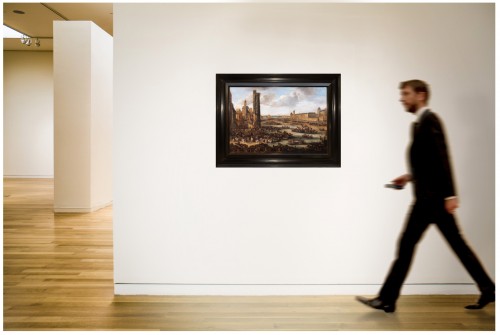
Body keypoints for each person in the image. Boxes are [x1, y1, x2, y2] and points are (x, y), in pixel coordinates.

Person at [356, 80, 495, 313]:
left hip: (431, 200)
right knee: (455, 245)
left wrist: (451, 195)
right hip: (429, 198)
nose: (402, 98)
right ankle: (489, 289)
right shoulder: (418, 125)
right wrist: (409, 177)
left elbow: (443, 158)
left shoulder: (430, 120)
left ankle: (387, 299)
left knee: (407, 246)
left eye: (406, 94)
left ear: (421, 95)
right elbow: (429, 162)